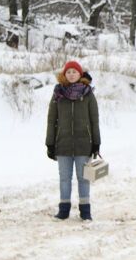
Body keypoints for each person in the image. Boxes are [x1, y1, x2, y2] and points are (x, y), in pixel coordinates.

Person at [45, 60, 101, 221]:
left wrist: (96, 143)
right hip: (62, 144)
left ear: (80, 74)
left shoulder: (88, 94)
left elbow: (94, 120)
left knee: (84, 178)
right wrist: (50, 143)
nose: (71, 75)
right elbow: (51, 120)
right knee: (64, 178)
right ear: (64, 74)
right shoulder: (58, 94)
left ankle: (85, 211)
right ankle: (63, 210)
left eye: (74, 72)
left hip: (84, 144)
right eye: (68, 72)